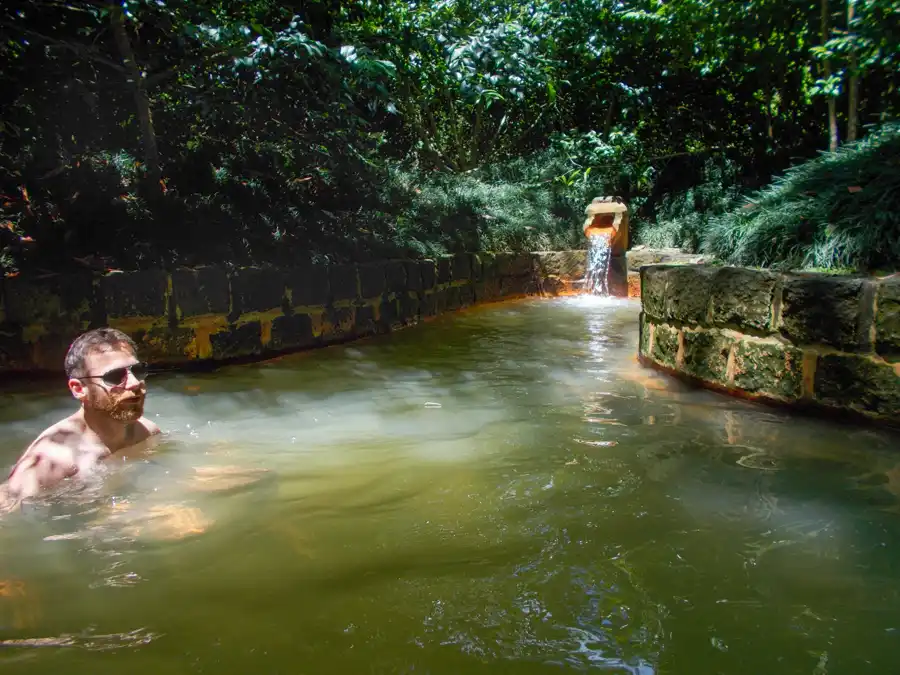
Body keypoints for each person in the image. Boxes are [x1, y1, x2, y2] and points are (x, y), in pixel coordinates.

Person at [1, 327, 160, 507]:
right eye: (115, 376)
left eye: (137, 371)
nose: (134, 383)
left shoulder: (147, 433)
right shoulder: (52, 461)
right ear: (79, 389)